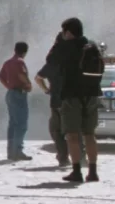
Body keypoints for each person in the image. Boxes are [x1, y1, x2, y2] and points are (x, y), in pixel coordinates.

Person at [44, 17, 103, 183]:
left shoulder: (64, 47)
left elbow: (50, 61)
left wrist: (58, 42)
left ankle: (76, 171)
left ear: (68, 32)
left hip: (72, 95)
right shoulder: (91, 46)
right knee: (89, 135)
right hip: (91, 95)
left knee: (72, 135)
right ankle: (92, 172)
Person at [35, 33, 84, 167]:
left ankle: (63, 158)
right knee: (75, 130)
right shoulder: (77, 60)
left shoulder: (53, 61)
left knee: (57, 131)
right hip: (73, 101)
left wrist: (46, 90)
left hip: (57, 101)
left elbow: (38, 78)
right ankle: (80, 158)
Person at [0, 42, 33, 161]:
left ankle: (11, 152)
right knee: (21, 124)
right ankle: (17, 151)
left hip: (10, 93)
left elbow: (0, 77)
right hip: (19, 93)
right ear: (25, 51)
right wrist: (28, 84)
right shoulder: (20, 62)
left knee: (12, 124)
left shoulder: (8, 62)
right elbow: (21, 74)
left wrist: (8, 87)